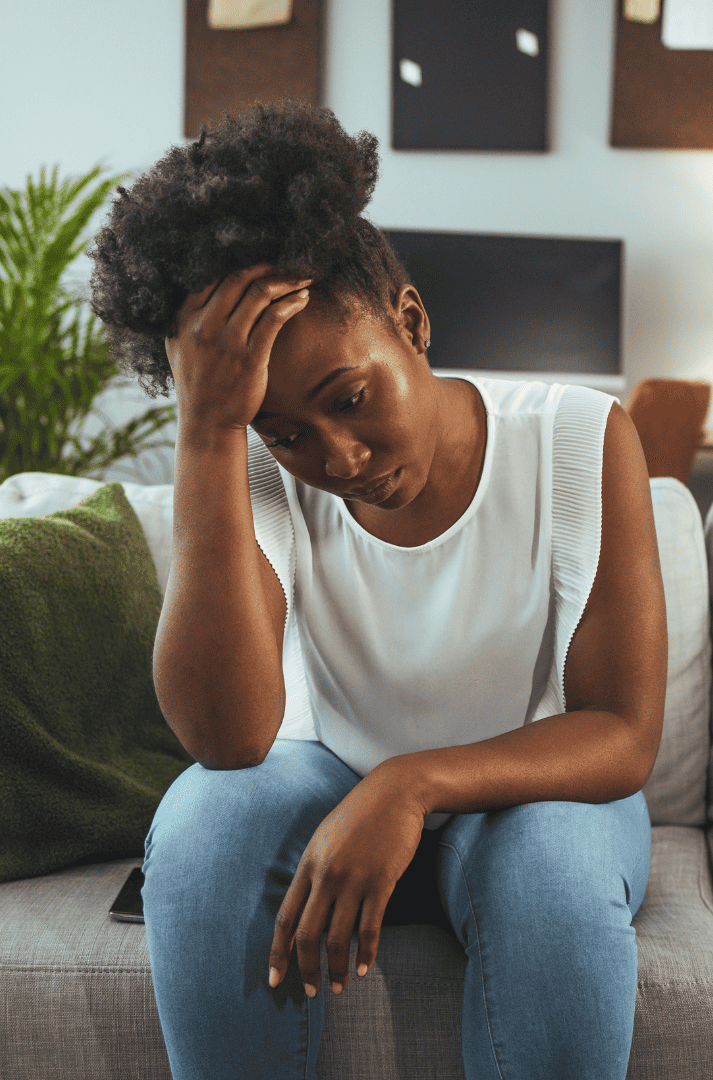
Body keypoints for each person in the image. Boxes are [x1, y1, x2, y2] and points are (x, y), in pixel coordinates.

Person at [89, 100, 667, 1080]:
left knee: (554, 876)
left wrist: (412, 782)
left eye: (350, 400)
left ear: (410, 319)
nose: (340, 458)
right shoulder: (253, 467)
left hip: (542, 792)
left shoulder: (580, 437)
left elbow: (622, 733)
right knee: (198, 827)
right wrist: (208, 436)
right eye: (285, 431)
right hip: (326, 773)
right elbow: (227, 739)